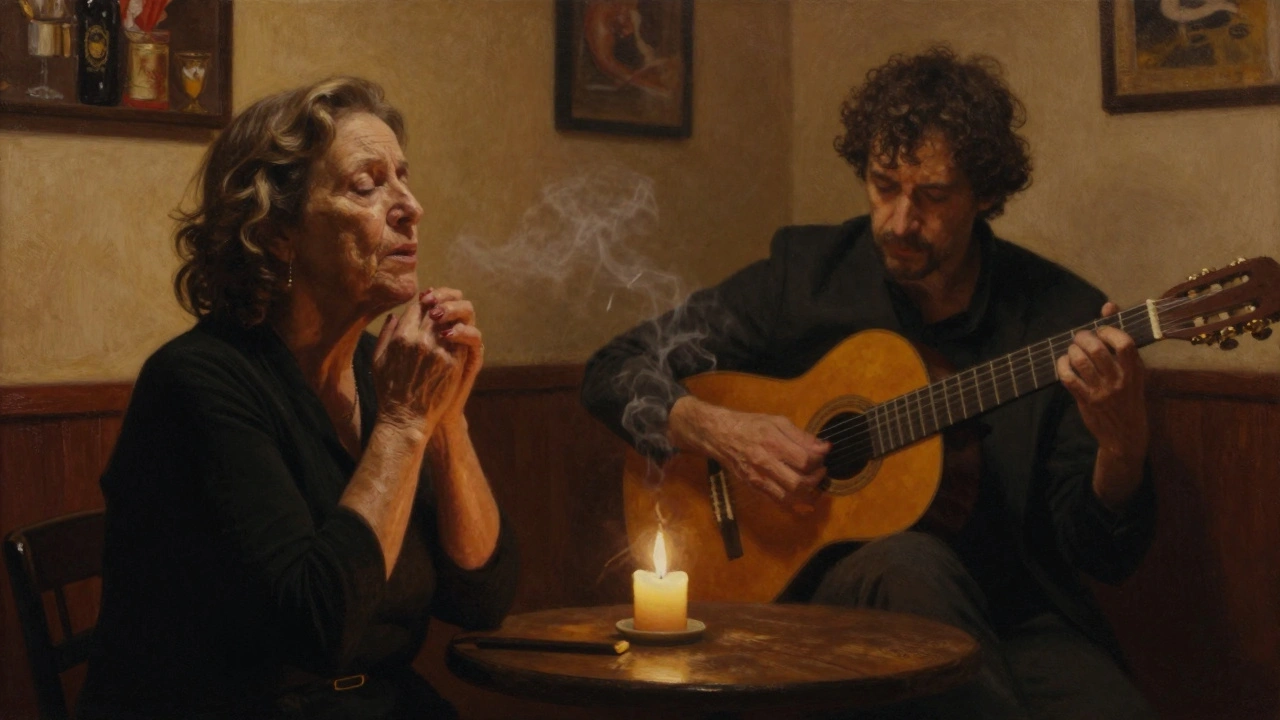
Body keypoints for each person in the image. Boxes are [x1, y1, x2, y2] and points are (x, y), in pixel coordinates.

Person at [581, 46, 1156, 719]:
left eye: (932, 196)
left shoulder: (1062, 319)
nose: (900, 220)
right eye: (884, 185)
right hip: (821, 600)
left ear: (986, 194)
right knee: (910, 566)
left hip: (1016, 613)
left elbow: (1102, 555)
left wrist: (1123, 447)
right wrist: (718, 430)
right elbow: (614, 368)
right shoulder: (806, 275)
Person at [77, 77, 518, 720]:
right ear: (277, 231)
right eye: (366, 186)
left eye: (402, 177)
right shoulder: (197, 383)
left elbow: (481, 597)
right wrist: (402, 424)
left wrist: (446, 421)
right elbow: (316, 625)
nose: (411, 206)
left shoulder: (382, 371)